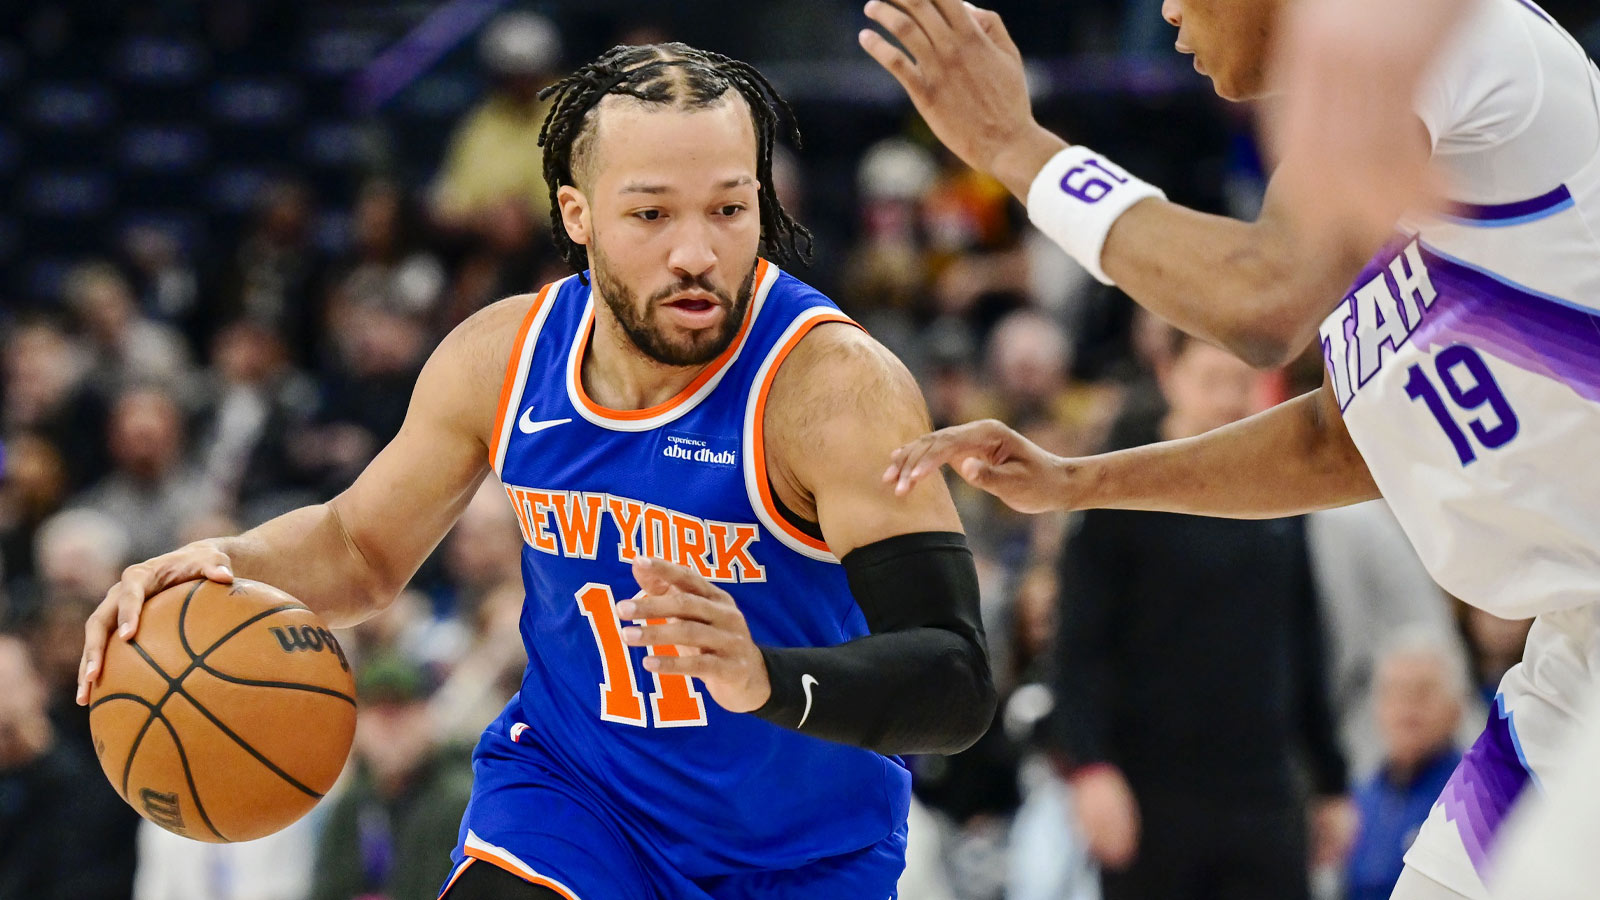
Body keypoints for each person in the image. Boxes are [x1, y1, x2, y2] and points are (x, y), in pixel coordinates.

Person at [80, 42, 995, 900]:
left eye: (729, 207)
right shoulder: (503, 358)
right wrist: (220, 563)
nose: (696, 252)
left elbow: (954, 682)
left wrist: (766, 675)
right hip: (575, 803)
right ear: (576, 215)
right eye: (650, 213)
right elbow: (358, 551)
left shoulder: (831, 389)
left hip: (798, 853)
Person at [868, 1, 1600, 898]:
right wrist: (1076, 482)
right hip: (1573, 654)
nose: (1167, 9)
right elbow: (1340, 439)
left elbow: (1262, 300)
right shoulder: (1361, 157)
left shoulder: (1450, 32)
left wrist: (1017, 148)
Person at [1047, 334, 1348, 900]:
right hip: (1151, 788)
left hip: (1264, 788)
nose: (1228, 400)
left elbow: (1304, 640)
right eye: (1212, 381)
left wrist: (1332, 779)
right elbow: (1078, 646)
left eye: (1241, 383)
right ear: (1170, 377)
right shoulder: (1120, 491)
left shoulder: (1280, 492)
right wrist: (1091, 768)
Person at [1346, 628, 1469, 900]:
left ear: (1457, 708)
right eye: (1396, 692)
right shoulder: (1358, 800)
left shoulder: (1474, 797)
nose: (1407, 706)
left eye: (1423, 692)